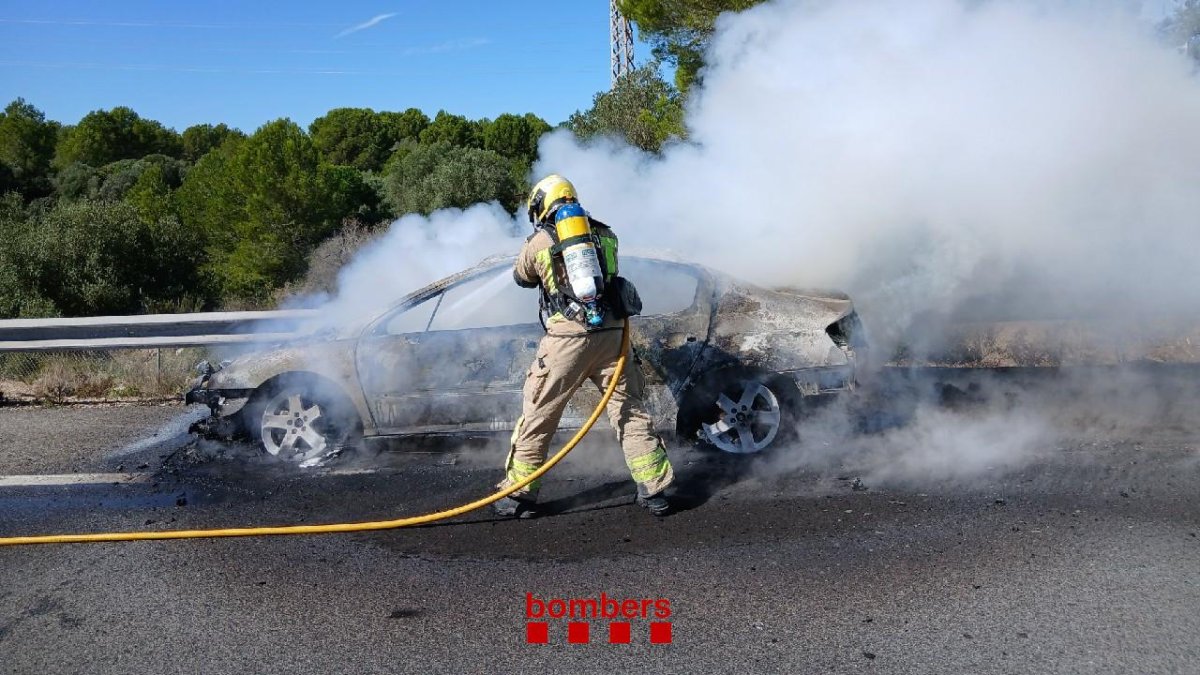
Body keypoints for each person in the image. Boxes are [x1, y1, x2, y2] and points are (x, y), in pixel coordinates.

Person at [493, 174, 675, 518]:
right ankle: (655, 491)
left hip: (567, 341)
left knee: (539, 413)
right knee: (628, 409)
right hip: (613, 337)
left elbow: (522, 277)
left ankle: (519, 495)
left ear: (541, 205)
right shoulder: (605, 234)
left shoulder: (540, 240)